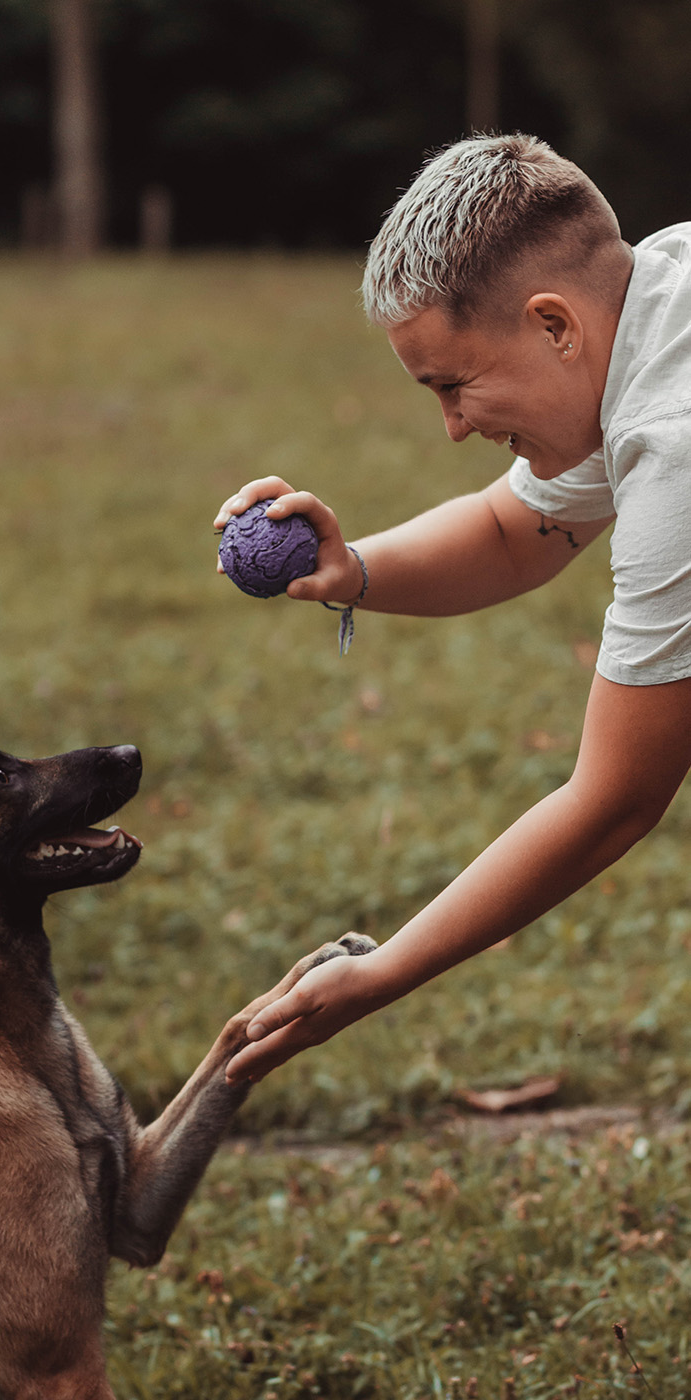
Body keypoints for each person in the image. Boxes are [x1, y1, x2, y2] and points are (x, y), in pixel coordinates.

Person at [213, 132, 691, 1085]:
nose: (453, 428)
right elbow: (516, 533)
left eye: (453, 384)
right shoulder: (656, 290)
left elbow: (614, 799)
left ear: (555, 326)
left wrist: (383, 972)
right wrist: (352, 572)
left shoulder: (674, 444)